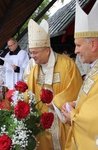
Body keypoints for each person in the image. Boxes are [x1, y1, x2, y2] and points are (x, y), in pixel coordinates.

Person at [27, 19, 83, 150]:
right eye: (31, 52)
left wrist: (56, 102)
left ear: (47, 51)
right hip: (43, 126)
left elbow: (76, 90)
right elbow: (29, 93)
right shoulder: (35, 69)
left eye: (35, 52)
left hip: (63, 123)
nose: (32, 56)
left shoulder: (67, 64)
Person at [62, 1, 98, 150]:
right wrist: (77, 104)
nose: (75, 51)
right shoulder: (93, 68)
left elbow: (94, 117)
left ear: (93, 45)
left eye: (78, 45)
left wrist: (74, 118)